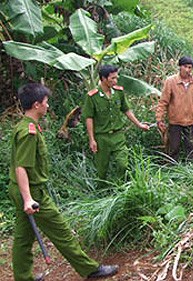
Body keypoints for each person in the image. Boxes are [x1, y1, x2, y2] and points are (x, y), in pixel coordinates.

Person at [9, 83, 118, 281]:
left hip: (21, 190)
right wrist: (28, 199)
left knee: (23, 238)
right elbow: (21, 167)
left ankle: (23, 278)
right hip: (32, 192)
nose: (48, 106)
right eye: (45, 102)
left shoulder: (24, 126)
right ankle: (90, 269)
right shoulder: (28, 133)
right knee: (62, 232)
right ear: (36, 105)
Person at [82, 65, 149, 187]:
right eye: (112, 78)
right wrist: (92, 139)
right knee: (101, 170)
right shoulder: (92, 96)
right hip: (101, 137)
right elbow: (89, 118)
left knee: (123, 164)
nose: (115, 81)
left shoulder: (118, 92)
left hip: (118, 136)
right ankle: (102, 192)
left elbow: (127, 110)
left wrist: (139, 124)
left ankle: (120, 187)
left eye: (116, 78)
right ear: (103, 78)